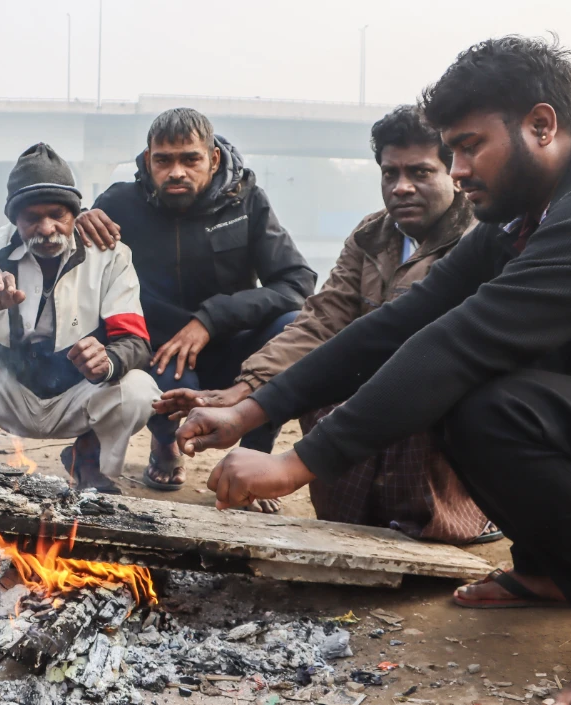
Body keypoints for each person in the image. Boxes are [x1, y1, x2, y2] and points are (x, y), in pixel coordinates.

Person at [175, 37, 571, 703]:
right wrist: (252, 409)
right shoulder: (519, 221)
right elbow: (404, 320)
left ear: (541, 125)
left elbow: (460, 340)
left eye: (470, 145)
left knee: (493, 407)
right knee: (471, 399)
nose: (457, 170)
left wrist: (296, 463)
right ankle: (550, 572)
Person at [155, 106, 495, 542]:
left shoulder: (479, 240)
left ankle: (455, 518)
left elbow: (429, 348)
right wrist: (240, 393)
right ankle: (358, 522)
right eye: (390, 174)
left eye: (421, 173)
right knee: (320, 379)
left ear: (454, 173)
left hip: (434, 388)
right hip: (369, 382)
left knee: (405, 401)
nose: (402, 187)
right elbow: (319, 321)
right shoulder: (372, 235)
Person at [76, 108, 315, 492]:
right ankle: (165, 444)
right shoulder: (120, 204)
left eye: (190, 159)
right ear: (148, 159)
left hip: (233, 344)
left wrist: (211, 318)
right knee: (163, 378)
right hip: (160, 351)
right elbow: (79, 277)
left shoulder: (247, 201)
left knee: (292, 327)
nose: (176, 172)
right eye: (164, 160)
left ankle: (257, 459)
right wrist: (79, 223)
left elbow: (297, 284)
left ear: (213, 158)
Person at [0, 143, 159, 493]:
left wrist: (106, 360)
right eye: (32, 218)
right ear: (15, 219)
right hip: (5, 389)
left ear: (76, 214)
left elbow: (136, 342)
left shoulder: (110, 255)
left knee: (139, 389)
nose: (46, 229)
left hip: (77, 393)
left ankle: (86, 460)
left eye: (57, 215)